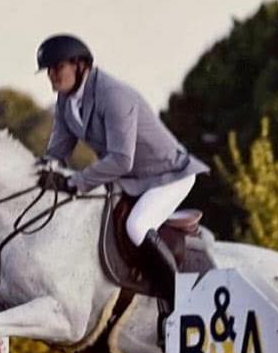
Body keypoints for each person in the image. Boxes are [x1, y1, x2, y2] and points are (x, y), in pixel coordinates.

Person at [34, 34, 209, 307]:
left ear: (80, 65)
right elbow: (57, 151)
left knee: (137, 226)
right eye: (48, 71)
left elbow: (121, 159)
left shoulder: (113, 96)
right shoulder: (66, 101)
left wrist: (78, 181)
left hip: (167, 175)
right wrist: (42, 170)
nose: (52, 76)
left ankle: (181, 303)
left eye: (57, 68)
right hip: (131, 180)